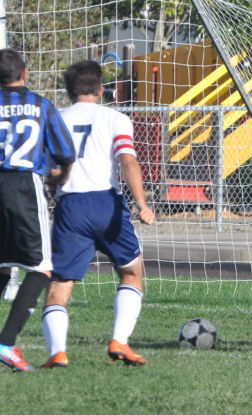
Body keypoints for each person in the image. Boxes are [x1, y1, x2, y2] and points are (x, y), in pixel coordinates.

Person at [40, 60, 155, 369]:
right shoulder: (115, 117)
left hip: (70, 208)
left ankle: (58, 352)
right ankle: (119, 340)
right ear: (101, 89)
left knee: (60, 283)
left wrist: (53, 190)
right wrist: (142, 203)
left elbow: (53, 172)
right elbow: (127, 160)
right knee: (131, 271)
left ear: (68, 91)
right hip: (107, 204)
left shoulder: (55, 119)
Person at [0, 48, 75, 372]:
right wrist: (59, 178)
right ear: (25, 73)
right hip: (24, 187)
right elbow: (66, 153)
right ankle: (6, 343)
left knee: (3, 266)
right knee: (42, 267)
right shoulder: (42, 105)